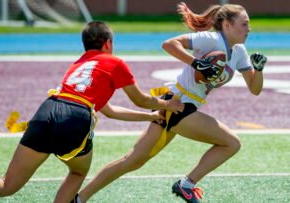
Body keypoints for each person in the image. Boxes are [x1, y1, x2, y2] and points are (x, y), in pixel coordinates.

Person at [73, 2, 267, 203]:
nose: (249, 28)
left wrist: (258, 69)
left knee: (132, 161)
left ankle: (79, 199)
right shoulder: (211, 39)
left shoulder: (240, 52)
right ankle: (186, 185)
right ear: (227, 25)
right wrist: (195, 62)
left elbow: (255, 89)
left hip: (178, 107)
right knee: (231, 143)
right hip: (178, 103)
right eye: (244, 24)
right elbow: (168, 44)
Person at [0, 21, 184, 202]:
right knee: (77, 172)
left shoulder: (78, 65)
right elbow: (140, 99)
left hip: (47, 109)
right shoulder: (114, 62)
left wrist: (150, 116)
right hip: (75, 116)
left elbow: (110, 111)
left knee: (8, 184)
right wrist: (167, 105)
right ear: (108, 43)